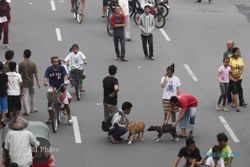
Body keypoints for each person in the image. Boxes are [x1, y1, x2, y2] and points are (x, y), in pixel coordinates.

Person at [44, 56, 73, 125]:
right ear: (52, 62)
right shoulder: (49, 69)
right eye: (55, 62)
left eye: (57, 61)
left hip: (61, 88)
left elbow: (65, 75)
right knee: (49, 102)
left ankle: (69, 118)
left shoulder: (62, 68)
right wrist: (45, 82)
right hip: (52, 88)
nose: (56, 63)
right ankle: (50, 118)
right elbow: (45, 77)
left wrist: (66, 81)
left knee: (66, 103)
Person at [18, 49, 40, 115]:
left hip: (24, 82)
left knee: (24, 96)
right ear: (30, 55)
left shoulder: (21, 63)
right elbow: (35, 73)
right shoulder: (33, 63)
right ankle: (33, 108)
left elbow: (19, 73)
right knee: (32, 95)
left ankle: (26, 111)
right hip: (31, 82)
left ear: (24, 55)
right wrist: (38, 82)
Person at [224, 40, 234, 105]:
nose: (227, 46)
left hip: (235, 70)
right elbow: (224, 62)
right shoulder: (226, 53)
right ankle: (229, 99)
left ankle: (240, 100)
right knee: (228, 85)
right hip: (228, 70)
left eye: (228, 45)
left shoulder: (235, 52)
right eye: (227, 45)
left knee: (237, 86)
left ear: (232, 45)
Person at [0, 61, 8, 128]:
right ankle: (2, 119)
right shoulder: (5, 75)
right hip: (3, 93)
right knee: (4, 107)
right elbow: (6, 85)